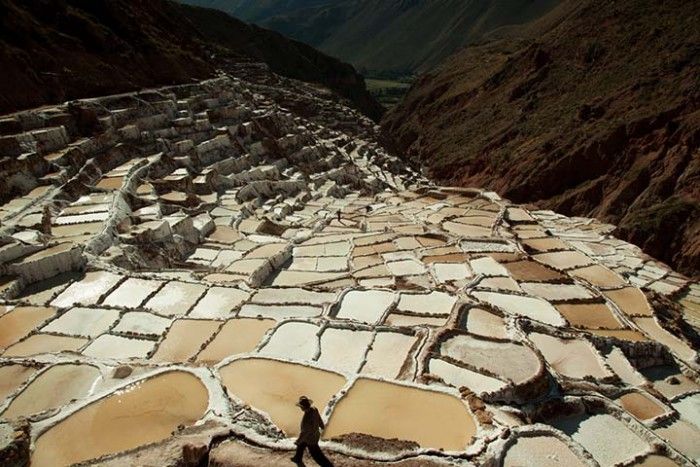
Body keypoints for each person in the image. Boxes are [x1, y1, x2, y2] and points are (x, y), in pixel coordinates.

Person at [291, 396, 333, 466]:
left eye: (301, 407)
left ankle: (328, 466)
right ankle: (297, 458)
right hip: (315, 434)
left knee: (317, 455)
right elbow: (319, 418)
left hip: (310, 439)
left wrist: (298, 441)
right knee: (301, 445)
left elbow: (304, 432)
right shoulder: (314, 409)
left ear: (303, 407)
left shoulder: (306, 419)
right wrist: (321, 425)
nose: (300, 408)